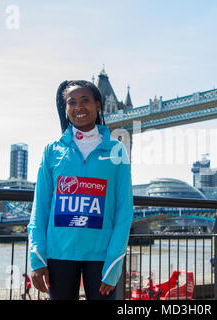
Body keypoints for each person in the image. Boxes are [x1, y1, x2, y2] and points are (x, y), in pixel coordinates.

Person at [27, 80, 134, 300]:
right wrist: (37, 257)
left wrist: (114, 263)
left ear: (97, 104)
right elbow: (40, 209)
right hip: (59, 254)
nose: (79, 107)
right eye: (71, 102)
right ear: (65, 109)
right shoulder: (52, 150)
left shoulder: (117, 150)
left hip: (102, 256)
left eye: (85, 100)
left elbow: (124, 212)